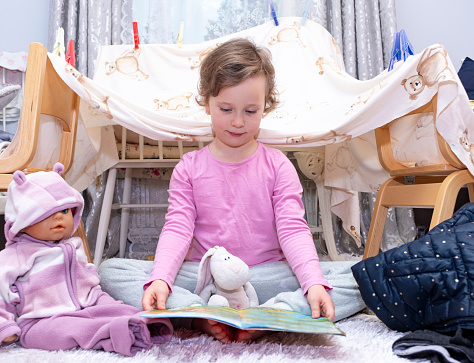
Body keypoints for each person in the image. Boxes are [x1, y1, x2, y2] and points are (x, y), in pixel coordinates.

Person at [99, 37, 365, 344]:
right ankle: (199, 315)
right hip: (204, 281)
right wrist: (161, 279)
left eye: (250, 111)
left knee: (364, 275)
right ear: (207, 101)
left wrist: (313, 283)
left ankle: (273, 314)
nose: (238, 122)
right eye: (226, 109)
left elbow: (293, 229)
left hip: (266, 278)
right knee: (109, 270)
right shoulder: (189, 167)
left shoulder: (278, 165)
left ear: (266, 107)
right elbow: (177, 228)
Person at [0, 163, 173, 356]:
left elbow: (89, 283)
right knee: (71, 330)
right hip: (41, 320)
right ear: (22, 223)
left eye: (65, 211)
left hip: (86, 304)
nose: (59, 217)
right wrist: (4, 325)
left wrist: (108, 303)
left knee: (117, 308)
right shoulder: (15, 256)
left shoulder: (73, 246)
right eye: (47, 213)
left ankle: (141, 322)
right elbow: (2, 293)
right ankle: (111, 334)